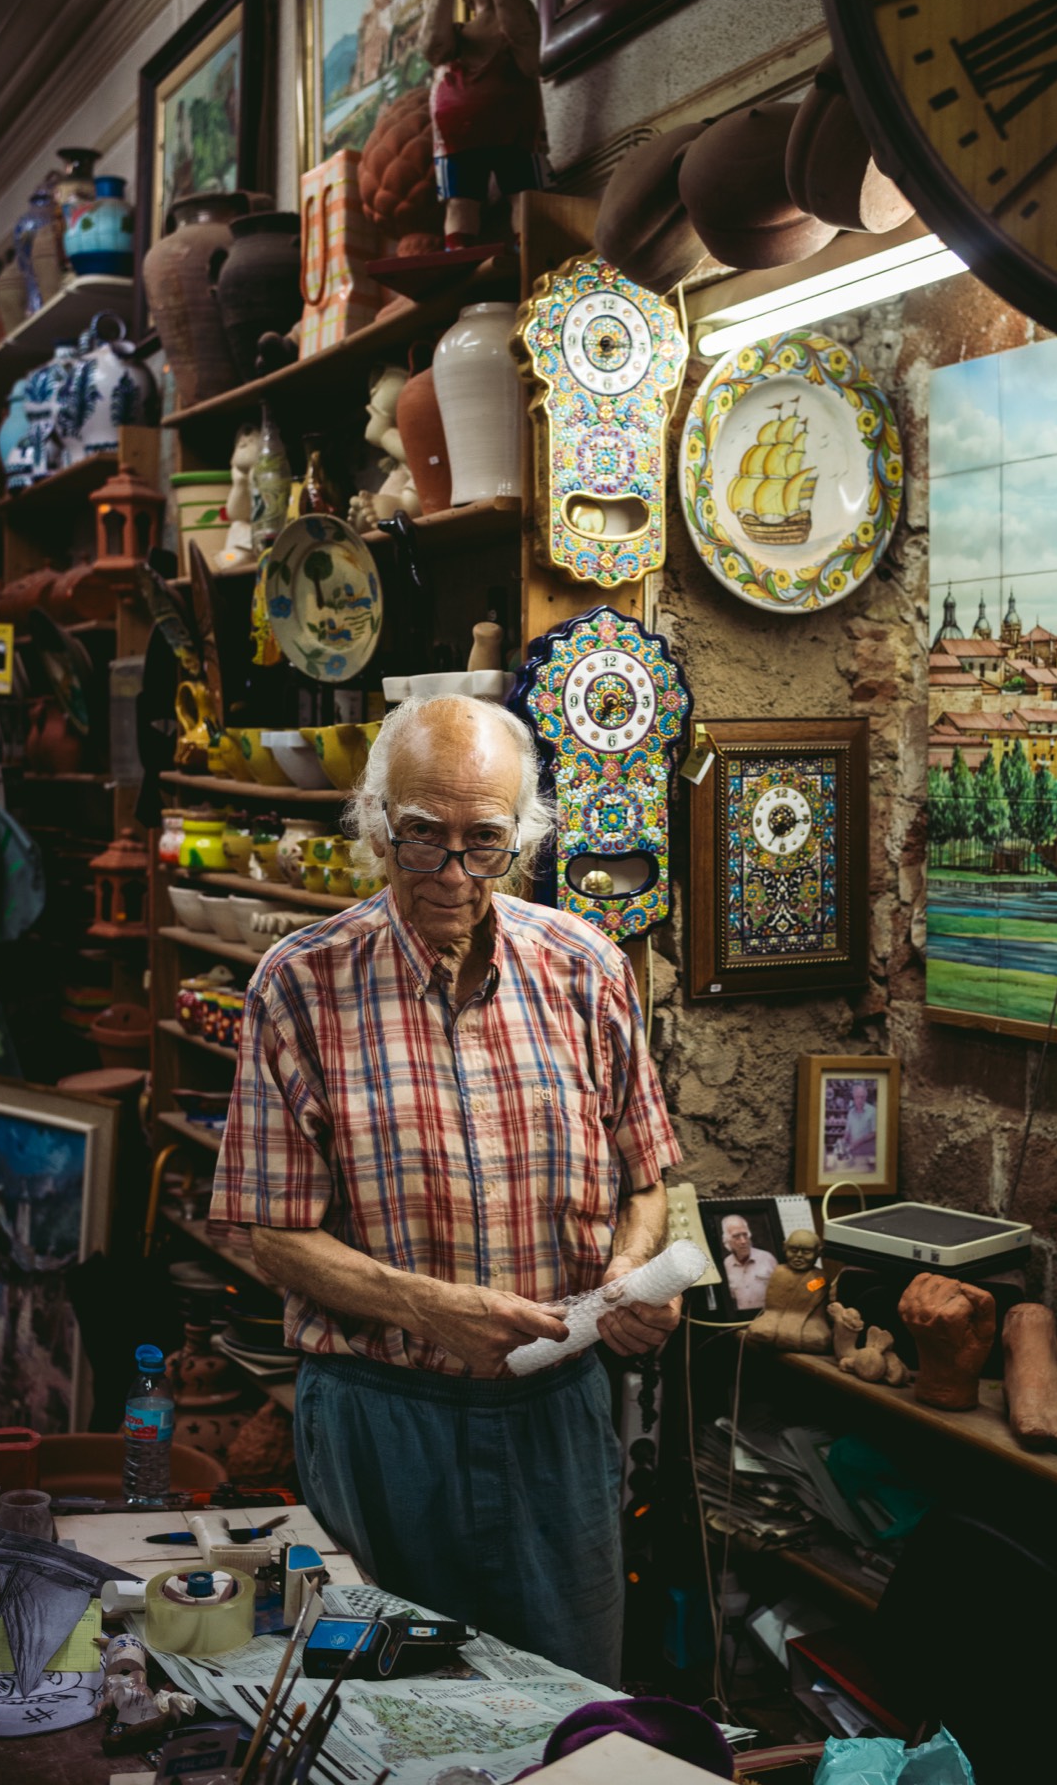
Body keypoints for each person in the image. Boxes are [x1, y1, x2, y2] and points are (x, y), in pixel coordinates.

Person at [210, 696, 681, 1685]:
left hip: (556, 1418)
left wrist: (632, 1274)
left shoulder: (586, 969)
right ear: (376, 824)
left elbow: (648, 1181)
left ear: (523, 837)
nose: (453, 875)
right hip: (380, 1418)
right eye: (422, 837)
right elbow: (271, 1234)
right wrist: (428, 1308)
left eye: (485, 842)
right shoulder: (300, 984)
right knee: (376, 1709)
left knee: (569, 1706)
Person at [422, 0, 548, 247]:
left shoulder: (518, 24)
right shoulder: (456, 37)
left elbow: (507, 2)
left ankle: (528, 252)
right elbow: (431, 45)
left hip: (516, 130)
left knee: (525, 197)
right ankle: (457, 259)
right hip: (457, 138)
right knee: (460, 203)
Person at [720, 1214, 777, 1311]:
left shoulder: (767, 1258)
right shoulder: (726, 1265)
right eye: (736, 1236)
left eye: (745, 1235)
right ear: (727, 1241)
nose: (743, 1241)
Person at [835, 1080, 877, 1170]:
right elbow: (848, 1131)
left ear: (866, 1097)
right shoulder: (851, 1112)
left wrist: (858, 1141)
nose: (860, 1100)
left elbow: (874, 1133)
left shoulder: (873, 1111)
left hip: (867, 1153)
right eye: (857, 1097)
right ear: (853, 1098)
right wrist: (843, 1141)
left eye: (862, 1097)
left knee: (866, 1172)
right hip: (853, 1151)